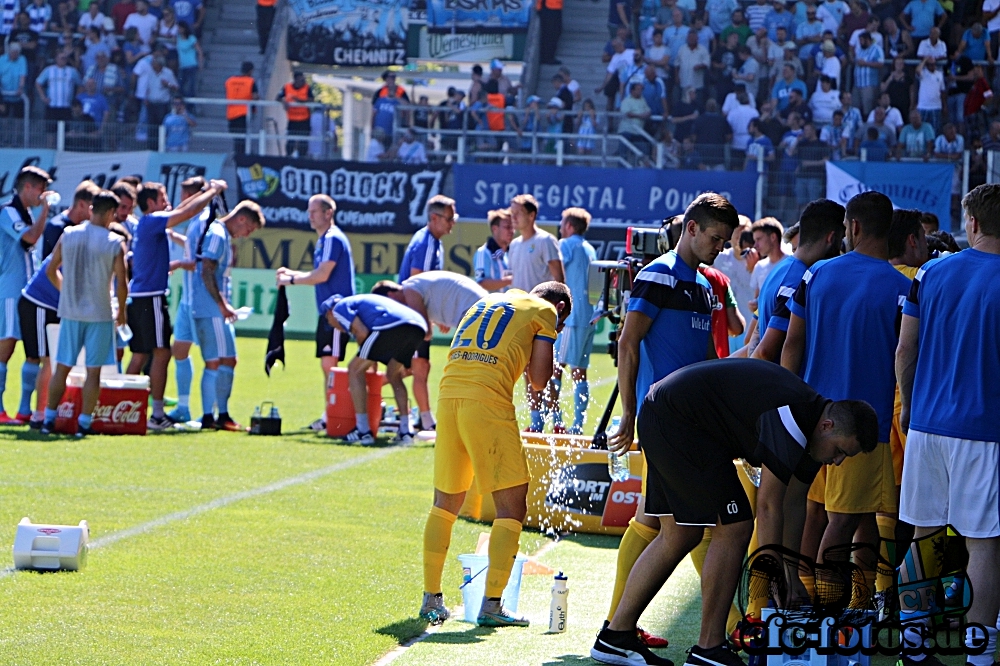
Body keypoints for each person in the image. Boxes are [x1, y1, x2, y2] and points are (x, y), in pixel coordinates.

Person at [591, 359, 877, 666]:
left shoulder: (814, 432)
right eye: (840, 452)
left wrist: (793, 576)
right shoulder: (793, 417)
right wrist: (777, 580)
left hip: (668, 414)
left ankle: (615, 636)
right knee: (737, 526)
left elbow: (793, 506)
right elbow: (768, 507)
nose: (836, 462)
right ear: (828, 426)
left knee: (680, 533)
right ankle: (709, 649)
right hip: (677, 419)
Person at [601, 193, 738, 647]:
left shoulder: (703, 285)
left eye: (725, 241)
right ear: (691, 229)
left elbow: (704, 359)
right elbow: (628, 341)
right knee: (702, 524)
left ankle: (619, 627)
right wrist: (627, 412)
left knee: (670, 526)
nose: (720, 248)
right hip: (669, 423)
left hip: (690, 423)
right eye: (715, 238)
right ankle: (720, 634)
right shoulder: (658, 274)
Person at [781, 191, 912, 598]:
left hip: (809, 419)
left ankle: (824, 598)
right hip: (860, 430)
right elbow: (906, 354)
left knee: (823, 515)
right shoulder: (902, 287)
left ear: (852, 227)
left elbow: (792, 345)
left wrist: (787, 410)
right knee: (841, 524)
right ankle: (830, 611)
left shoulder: (815, 274)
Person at [418, 281, 571, 628]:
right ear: (559, 309)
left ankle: (431, 599)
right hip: (485, 402)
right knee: (512, 505)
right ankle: (492, 604)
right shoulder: (546, 311)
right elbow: (538, 380)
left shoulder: (489, 300)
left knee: (444, 505)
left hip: (449, 397)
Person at [896, 184, 1000, 666]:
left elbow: (906, 348)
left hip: (927, 424)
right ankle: (980, 654)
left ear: (972, 224)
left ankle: (914, 645)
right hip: (985, 429)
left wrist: (910, 407)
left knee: (923, 534)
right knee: (983, 542)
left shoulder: (932, 272)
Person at [127, 179, 224, 429]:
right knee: (162, 353)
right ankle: (157, 414)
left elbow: (182, 209)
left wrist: (203, 192)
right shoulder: (152, 221)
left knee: (139, 355)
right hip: (151, 298)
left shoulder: (145, 224)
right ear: (151, 203)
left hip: (138, 297)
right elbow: (186, 212)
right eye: (162, 199)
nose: (168, 203)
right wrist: (212, 192)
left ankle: (124, 406)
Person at [40, 192, 126, 437]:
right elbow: (122, 283)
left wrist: (65, 290)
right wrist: (122, 312)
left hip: (71, 311)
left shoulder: (69, 234)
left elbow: (50, 270)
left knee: (62, 368)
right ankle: (84, 423)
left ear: (91, 209)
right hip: (99, 313)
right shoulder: (114, 241)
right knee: (93, 371)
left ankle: (49, 419)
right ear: (110, 213)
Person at [372, 272, 488, 440]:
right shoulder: (415, 286)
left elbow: (424, 332)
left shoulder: (410, 290)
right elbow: (436, 301)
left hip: (474, 313)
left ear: (390, 295)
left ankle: (465, 427)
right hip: (480, 309)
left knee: (461, 375)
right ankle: (468, 425)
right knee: (470, 374)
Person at [275, 194, 354, 433]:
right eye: (309, 211)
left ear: (328, 213)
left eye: (314, 212)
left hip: (337, 312)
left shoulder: (331, 238)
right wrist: (294, 274)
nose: (309, 216)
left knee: (332, 365)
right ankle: (331, 414)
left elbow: (322, 275)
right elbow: (319, 273)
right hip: (329, 312)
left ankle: (337, 416)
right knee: (329, 365)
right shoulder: (324, 240)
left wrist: (291, 279)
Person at [190, 200, 265, 432]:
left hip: (211, 309)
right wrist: (222, 305)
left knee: (224, 360)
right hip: (211, 310)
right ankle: (214, 416)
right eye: (248, 229)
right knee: (219, 360)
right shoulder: (218, 234)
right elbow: (207, 270)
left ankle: (215, 416)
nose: (245, 235)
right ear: (241, 219)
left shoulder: (218, 233)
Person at [320, 293, 427, 445]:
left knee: (354, 370)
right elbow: (371, 345)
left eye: (328, 321)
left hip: (390, 326)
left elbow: (362, 333)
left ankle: (363, 431)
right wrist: (369, 361)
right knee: (393, 374)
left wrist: (365, 362)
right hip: (417, 327)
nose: (332, 325)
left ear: (330, 313)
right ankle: (405, 429)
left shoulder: (338, 308)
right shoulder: (359, 303)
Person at [751, 199, 845, 363]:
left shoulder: (781, 269)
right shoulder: (796, 279)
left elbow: (758, 336)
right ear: (831, 238)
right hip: (780, 384)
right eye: (841, 239)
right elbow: (765, 351)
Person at [396, 195, 456, 431]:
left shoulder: (432, 241)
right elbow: (414, 284)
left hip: (414, 314)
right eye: (450, 218)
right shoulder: (427, 243)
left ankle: (424, 418)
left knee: (416, 367)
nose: (452, 223)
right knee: (416, 367)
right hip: (411, 315)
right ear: (434, 218)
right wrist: (427, 319)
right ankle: (425, 419)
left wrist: (434, 315)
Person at [507, 193, 565, 432]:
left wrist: (556, 314)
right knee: (525, 370)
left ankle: (557, 419)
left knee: (547, 369)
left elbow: (559, 280)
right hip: (521, 317)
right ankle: (535, 422)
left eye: (517, 213)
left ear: (531, 215)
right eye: (511, 214)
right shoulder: (513, 245)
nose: (513, 218)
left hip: (542, 318)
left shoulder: (545, 241)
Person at [0, 167, 52, 425]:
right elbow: (29, 238)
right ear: (28, 187)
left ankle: (24, 410)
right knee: (5, 348)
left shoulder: (28, 213)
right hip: (10, 290)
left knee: (33, 352)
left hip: (29, 293)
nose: (43, 194)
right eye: (41, 188)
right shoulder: (8, 211)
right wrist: (45, 212)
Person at [163, 176, 211, 424]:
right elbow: (192, 248)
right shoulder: (194, 223)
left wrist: (179, 263)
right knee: (179, 351)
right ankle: (183, 408)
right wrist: (173, 238)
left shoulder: (205, 221)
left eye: (185, 197)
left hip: (201, 300)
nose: (182, 202)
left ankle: (210, 414)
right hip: (187, 299)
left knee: (211, 359)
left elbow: (203, 260)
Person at [550, 207, 597, 435]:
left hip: (571, 317)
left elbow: (555, 273)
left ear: (569, 226)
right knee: (580, 372)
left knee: (554, 369)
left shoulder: (566, 245)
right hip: (589, 316)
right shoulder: (589, 248)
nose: (560, 227)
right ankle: (578, 425)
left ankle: (557, 422)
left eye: (562, 223)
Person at [473, 208, 514, 292]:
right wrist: (510, 280)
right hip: (490, 304)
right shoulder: (483, 252)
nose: (512, 231)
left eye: (513, 227)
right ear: (495, 229)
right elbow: (481, 283)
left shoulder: (509, 253)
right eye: (507, 227)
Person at [225, 61, 257, 155]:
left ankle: (238, 153)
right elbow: (255, 96)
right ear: (251, 71)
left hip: (231, 113)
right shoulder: (250, 81)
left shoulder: (230, 80)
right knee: (243, 137)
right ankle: (241, 156)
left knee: (237, 137)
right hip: (244, 113)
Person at [277, 71, 312, 158]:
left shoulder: (307, 88)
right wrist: (284, 101)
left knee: (303, 142)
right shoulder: (287, 87)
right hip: (292, 119)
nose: (303, 80)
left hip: (304, 119)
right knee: (291, 141)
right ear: (295, 79)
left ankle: (302, 158)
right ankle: (288, 157)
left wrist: (300, 101)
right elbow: (278, 97)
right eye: (301, 78)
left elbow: (311, 99)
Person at [537, 0, 562, 64]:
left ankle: (548, 57)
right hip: (548, 7)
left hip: (554, 6)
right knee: (550, 33)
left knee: (555, 32)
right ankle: (547, 58)